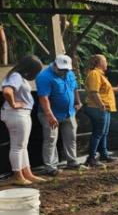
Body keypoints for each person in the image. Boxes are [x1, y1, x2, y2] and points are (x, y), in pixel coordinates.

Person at [35, 55, 83, 176]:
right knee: (51, 139)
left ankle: (72, 161)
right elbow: (43, 97)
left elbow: (74, 88)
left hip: (69, 113)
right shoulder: (44, 77)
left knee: (71, 137)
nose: (64, 71)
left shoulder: (69, 73)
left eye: (66, 69)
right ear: (55, 65)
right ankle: (50, 167)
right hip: (50, 114)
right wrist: (50, 115)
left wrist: (78, 101)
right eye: (62, 69)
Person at [2, 56, 45, 185]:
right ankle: (18, 175)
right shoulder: (15, 76)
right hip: (16, 114)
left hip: (22, 114)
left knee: (22, 146)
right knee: (17, 147)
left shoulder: (18, 76)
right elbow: (7, 91)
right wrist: (14, 104)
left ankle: (27, 173)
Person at [84, 54, 118, 167]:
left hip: (104, 107)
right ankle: (92, 157)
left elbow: (103, 90)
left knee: (103, 133)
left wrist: (116, 88)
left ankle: (104, 154)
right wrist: (101, 105)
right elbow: (94, 92)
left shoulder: (101, 75)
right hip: (98, 108)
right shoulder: (94, 74)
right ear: (99, 63)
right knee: (98, 133)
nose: (107, 63)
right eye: (105, 61)